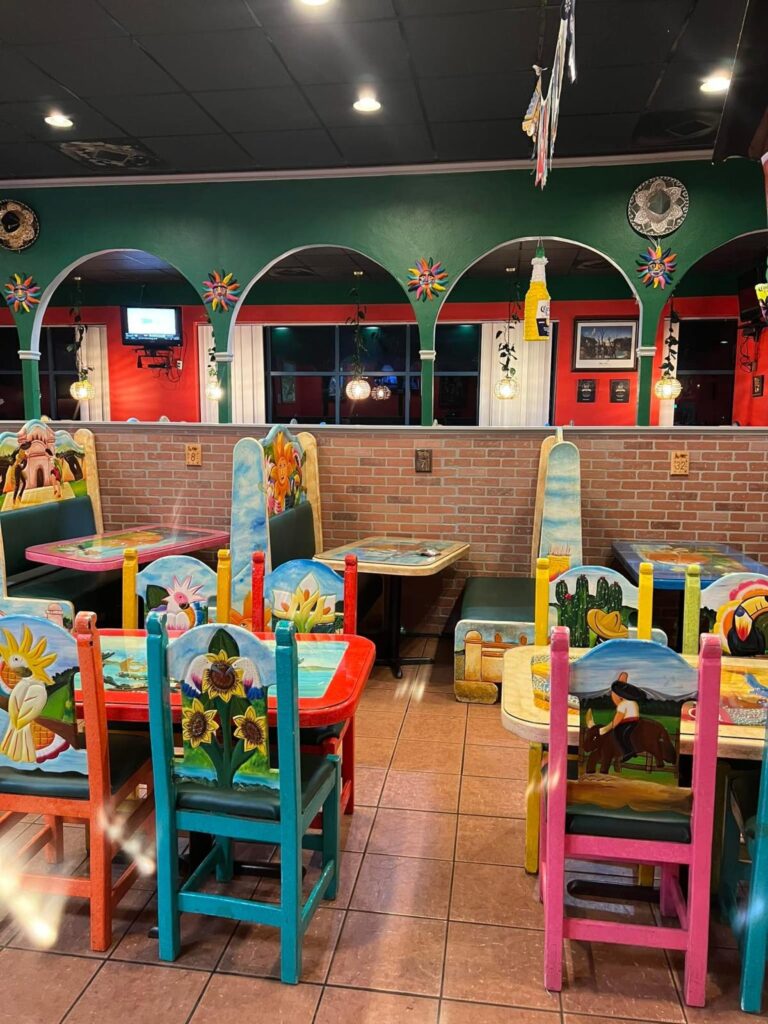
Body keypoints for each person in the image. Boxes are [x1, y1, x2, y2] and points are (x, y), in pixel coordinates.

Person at [598, 671, 647, 762]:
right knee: (626, 735)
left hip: (627, 722)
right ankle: (631, 751)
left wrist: (610, 727)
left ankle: (628, 752)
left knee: (619, 734)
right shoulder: (633, 703)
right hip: (635, 722)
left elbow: (618, 718)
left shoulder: (623, 704)